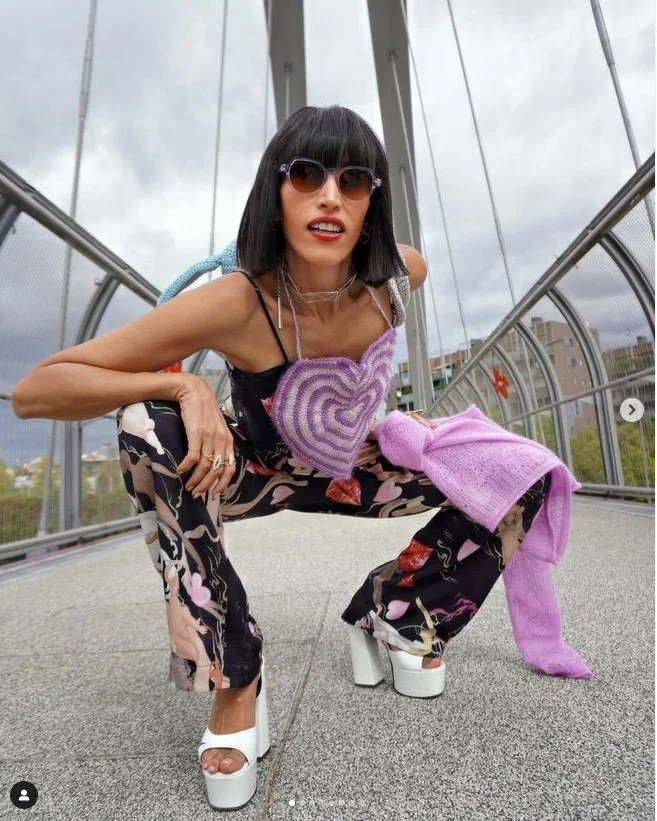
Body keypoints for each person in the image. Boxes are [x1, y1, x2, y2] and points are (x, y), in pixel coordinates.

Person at [11, 105, 551, 811]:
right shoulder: (238, 302)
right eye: (306, 175)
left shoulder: (399, 278)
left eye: (353, 180)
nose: (330, 195)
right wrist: (183, 386)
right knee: (146, 423)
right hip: (251, 470)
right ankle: (236, 670)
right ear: (275, 193)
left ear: (372, 202)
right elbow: (38, 389)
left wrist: (397, 421)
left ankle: (398, 611)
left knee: (521, 470)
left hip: (357, 468)